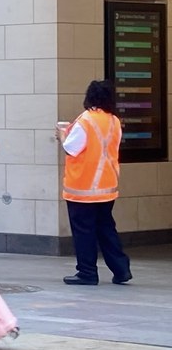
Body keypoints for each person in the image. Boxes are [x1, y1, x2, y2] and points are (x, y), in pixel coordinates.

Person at [56, 80, 132, 286]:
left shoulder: (86, 120)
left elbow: (71, 148)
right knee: (106, 228)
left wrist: (62, 135)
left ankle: (87, 272)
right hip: (107, 186)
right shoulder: (114, 121)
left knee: (84, 231)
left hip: (83, 187)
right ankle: (121, 268)